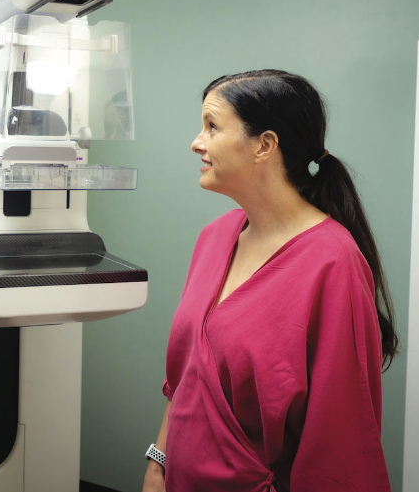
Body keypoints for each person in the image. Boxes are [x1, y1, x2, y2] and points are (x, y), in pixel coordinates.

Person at [142, 69, 397, 492]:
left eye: (212, 126)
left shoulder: (333, 263)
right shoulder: (215, 237)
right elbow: (187, 378)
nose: (196, 142)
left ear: (265, 145)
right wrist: (158, 463)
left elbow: (340, 438)